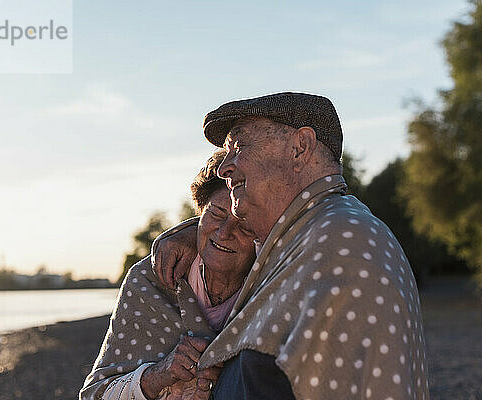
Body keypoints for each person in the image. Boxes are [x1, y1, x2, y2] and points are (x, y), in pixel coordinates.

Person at [152, 92, 430, 399]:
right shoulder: (313, 234)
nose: (224, 168)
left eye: (239, 146)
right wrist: (195, 234)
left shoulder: (343, 244)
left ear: (300, 148)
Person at [79, 150, 257, 400]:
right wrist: (159, 374)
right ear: (200, 213)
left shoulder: (271, 282)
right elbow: (94, 395)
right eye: (216, 213)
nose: (224, 232)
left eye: (244, 223)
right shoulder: (149, 281)